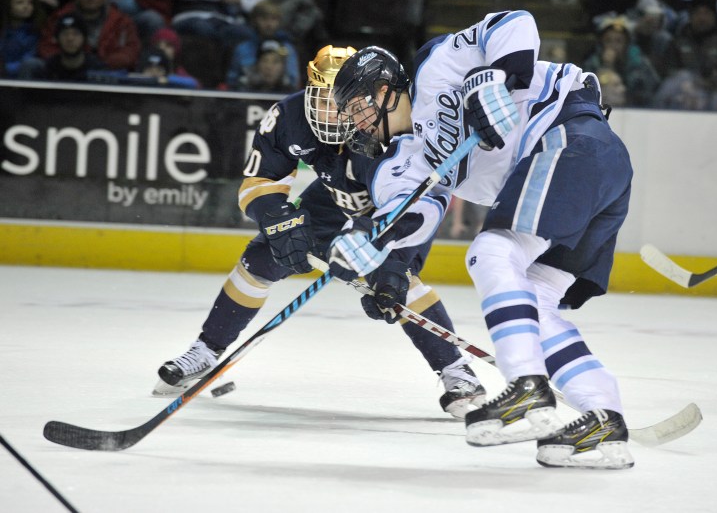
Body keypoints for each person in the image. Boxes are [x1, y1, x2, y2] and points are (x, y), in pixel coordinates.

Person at [328, 10, 635, 470]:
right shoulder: (402, 165)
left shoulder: (435, 67)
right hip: (583, 173)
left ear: (385, 90)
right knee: (537, 299)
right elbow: (414, 215)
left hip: (572, 137)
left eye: (357, 108)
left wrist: (498, 77)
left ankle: (527, 390)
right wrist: (372, 243)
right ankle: (602, 418)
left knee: (491, 251)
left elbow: (514, 22)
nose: (356, 124)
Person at [152, 45, 487, 419]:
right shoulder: (290, 115)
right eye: (320, 98)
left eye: (338, 101)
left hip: (390, 214)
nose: (328, 111)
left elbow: (420, 205)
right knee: (261, 256)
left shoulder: (394, 125)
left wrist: (393, 263)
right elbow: (257, 181)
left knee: (397, 283)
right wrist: (276, 216)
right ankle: (206, 351)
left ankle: (457, 373)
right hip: (334, 197)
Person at [38, 0, 141, 71]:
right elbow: (46, 47)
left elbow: (130, 52)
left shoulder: (121, 21)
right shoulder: (60, 17)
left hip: (107, 71)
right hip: (66, 71)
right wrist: (71, 61)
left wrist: (102, 63)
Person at [225, 0, 300, 91]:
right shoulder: (242, 49)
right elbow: (232, 81)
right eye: (264, 19)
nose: (269, 24)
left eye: (273, 19)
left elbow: (293, 81)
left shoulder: (287, 49)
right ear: (255, 20)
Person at [40, 12, 106, 81]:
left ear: (84, 38)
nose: (70, 38)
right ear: (57, 39)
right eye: (65, 33)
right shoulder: (49, 68)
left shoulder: (97, 69)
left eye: (76, 33)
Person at [0, 0, 42, 78]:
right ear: (8, 5)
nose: (26, 6)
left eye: (30, 2)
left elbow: (29, 59)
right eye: (20, 2)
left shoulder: (35, 32)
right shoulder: (3, 31)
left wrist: (6, 68)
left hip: (22, 77)